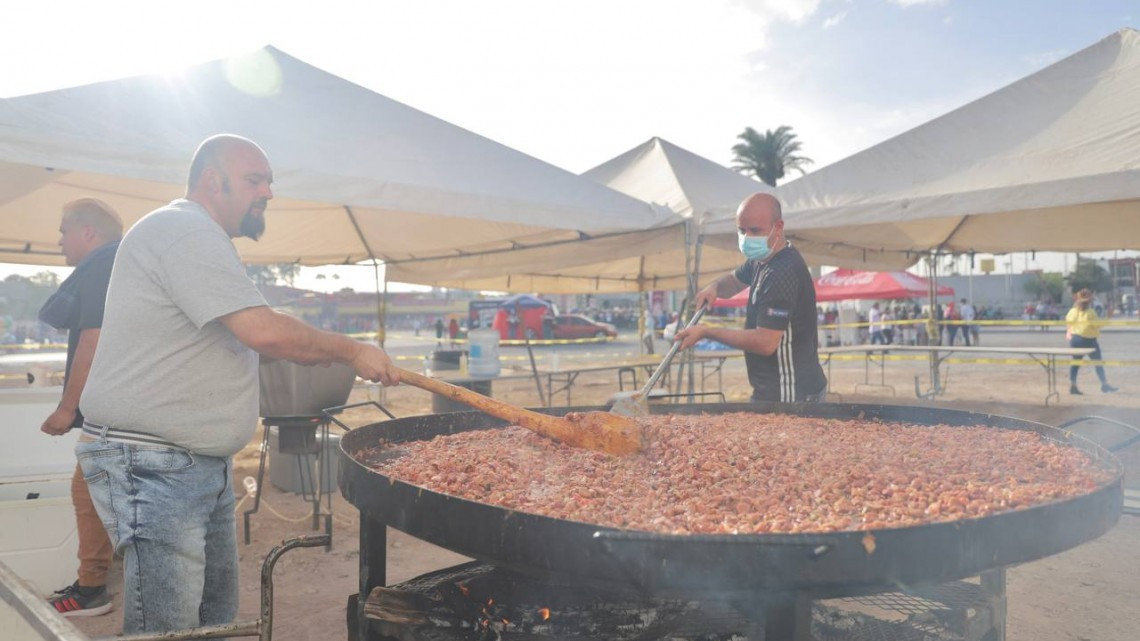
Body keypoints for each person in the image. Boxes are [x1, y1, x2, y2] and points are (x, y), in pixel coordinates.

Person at [75, 134, 400, 635]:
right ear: (212, 180)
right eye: (255, 180)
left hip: (189, 462)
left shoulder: (199, 237)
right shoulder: (184, 230)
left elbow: (246, 335)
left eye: (269, 181)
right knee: (169, 629)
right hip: (153, 463)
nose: (268, 192)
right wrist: (352, 351)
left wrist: (313, 347)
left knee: (213, 621)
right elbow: (262, 331)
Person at [37, 199, 122, 617]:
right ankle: (99, 578)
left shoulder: (102, 265)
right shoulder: (119, 263)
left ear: (88, 232)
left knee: (88, 486)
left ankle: (91, 588)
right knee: (97, 486)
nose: (59, 241)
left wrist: (67, 408)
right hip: (124, 403)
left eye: (64, 231)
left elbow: (94, 338)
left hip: (112, 408)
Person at [675, 193, 826, 402]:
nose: (747, 238)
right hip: (772, 390)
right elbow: (734, 281)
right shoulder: (761, 259)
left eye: (755, 230)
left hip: (790, 392)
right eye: (741, 230)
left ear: (778, 227)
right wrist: (714, 287)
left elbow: (765, 342)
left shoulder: (782, 272)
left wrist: (707, 332)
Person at [1066, 288, 1118, 395]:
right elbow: (1098, 325)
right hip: (1089, 340)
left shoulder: (1073, 311)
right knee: (1098, 362)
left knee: (1075, 363)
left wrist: (1070, 332)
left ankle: (1073, 385)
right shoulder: (1090, 312)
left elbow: (1068, 321)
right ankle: (1104, 384)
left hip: (1075, 339)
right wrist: (1108, 317)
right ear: (1089, 300)